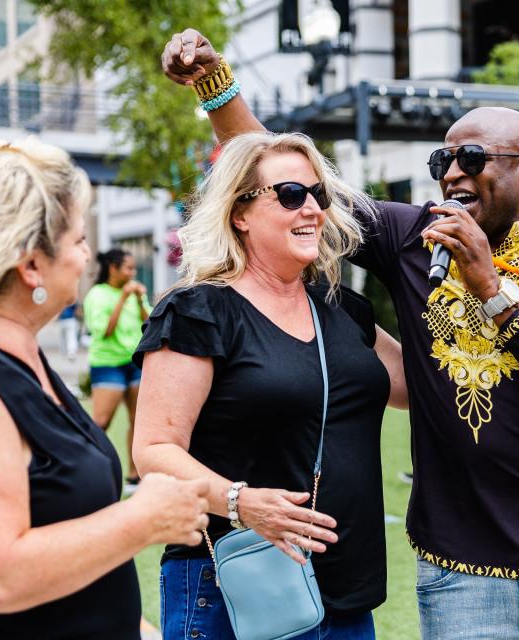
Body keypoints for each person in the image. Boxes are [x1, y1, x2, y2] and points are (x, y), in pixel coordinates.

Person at [162, 30, 519, 639]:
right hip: (459, 570)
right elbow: (279, 182)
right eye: (442, 161)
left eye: (472, 160)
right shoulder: (414, 238)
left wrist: (493, 290)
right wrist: (216, 86)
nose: (452, 173)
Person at [0, 137, 209, 639]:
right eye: (78, 240)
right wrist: (145, 520)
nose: (87, 256)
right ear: (30, 266)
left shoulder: (18, 354)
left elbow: (62, 525)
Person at [132, 131, 409, 640]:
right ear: (240, 212)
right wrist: (241, 502)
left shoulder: (343, 310)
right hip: (236, 586)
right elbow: (152, 449)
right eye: (289, 195)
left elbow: (415, 388)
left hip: (348, 592)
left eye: (318, 194)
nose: (311, 209)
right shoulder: (198, 310)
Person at [83, 249, 151, 492]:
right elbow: (104, 332)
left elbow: (149, 325)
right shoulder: (97, 295)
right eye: (128, 268)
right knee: (100, 422)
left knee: (138, 420)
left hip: (134, 363)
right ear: (113, 268)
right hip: (108, 365)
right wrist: (122, 298)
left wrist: (138, 300)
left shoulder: (134, 294)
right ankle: (85, 471)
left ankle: (134, 475)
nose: (133, 273)